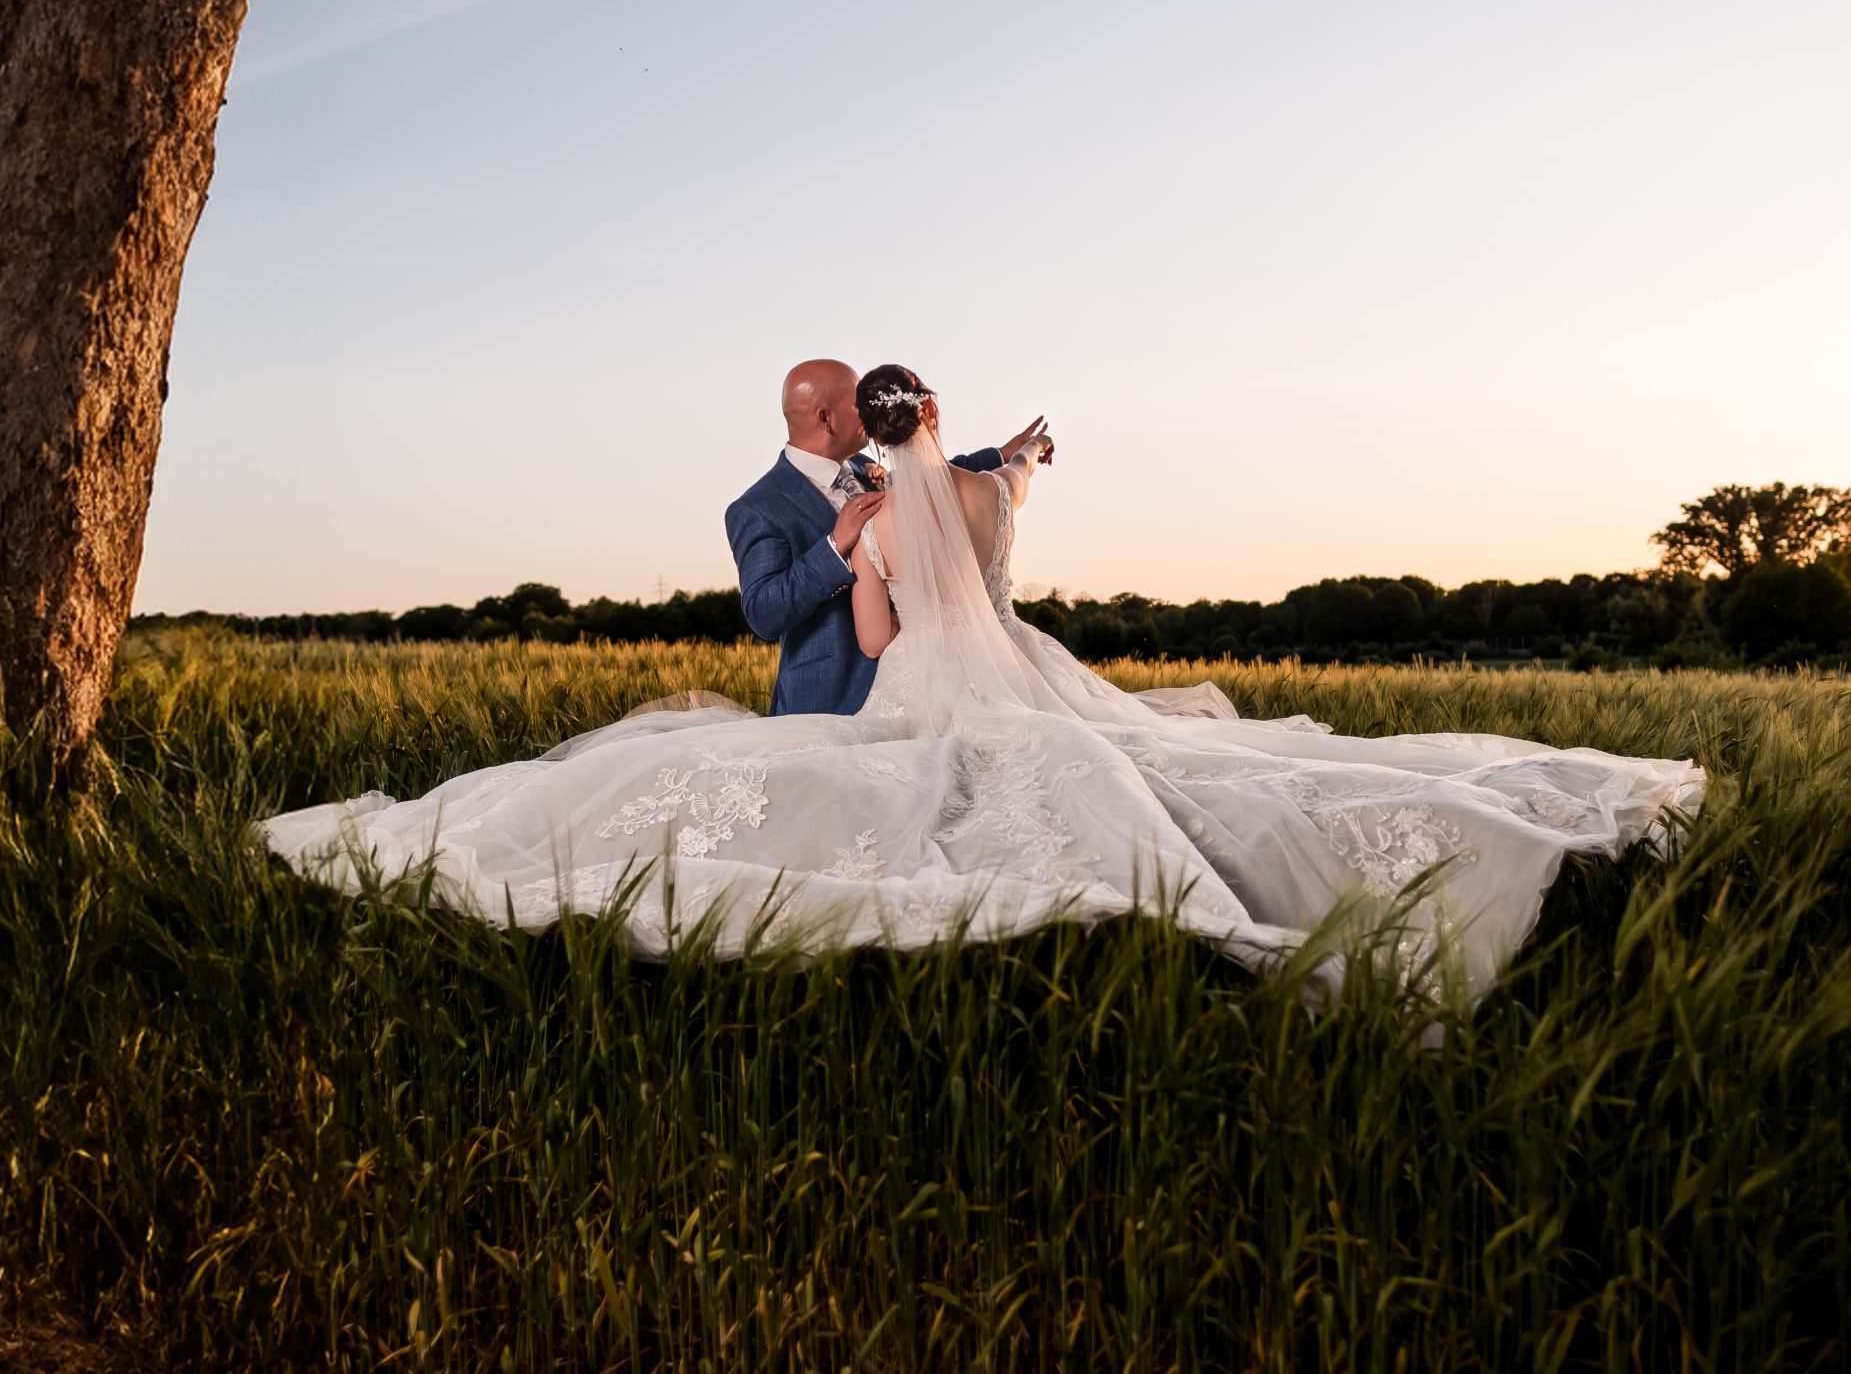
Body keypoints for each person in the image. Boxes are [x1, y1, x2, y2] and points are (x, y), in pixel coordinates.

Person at [260, 366, 1706, 1006]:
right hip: (1019, 663)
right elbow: (1011, 489)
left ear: (861, 429)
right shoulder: (975, 489)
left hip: (924, 682)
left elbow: (881, 649)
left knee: (931, 790)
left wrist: (871, 560)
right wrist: (1011, 457)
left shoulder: (879, 512)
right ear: (932, 416)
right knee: (1187, 762)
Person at [725, 356, 1044, 717]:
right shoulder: (758, 506)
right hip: (830, 702)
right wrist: (833, 546)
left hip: (923, 686)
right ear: (825, 417)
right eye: (859, 401)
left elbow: (932, 487)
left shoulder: (863, 467)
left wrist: (1003, 454)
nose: (870, 410)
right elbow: (764, 612)